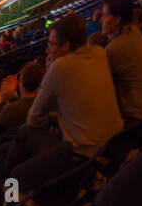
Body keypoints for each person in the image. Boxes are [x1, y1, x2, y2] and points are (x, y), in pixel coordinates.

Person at [23, 13, 123, 158]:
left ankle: (8, 179)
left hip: (84, 154)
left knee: (24, 132)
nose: (47, 50)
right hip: (116, 143)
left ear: (66, 45)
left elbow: (33, 118)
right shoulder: (99, 52)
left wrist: (50, 72)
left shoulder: (60, 67)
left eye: (51, 44)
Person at [101, 0, 142, 123]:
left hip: (135, 118)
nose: (101, 20)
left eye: (105, 16)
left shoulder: (114, 49)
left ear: (117, 20)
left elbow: (95, 89)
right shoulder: (135, 31)